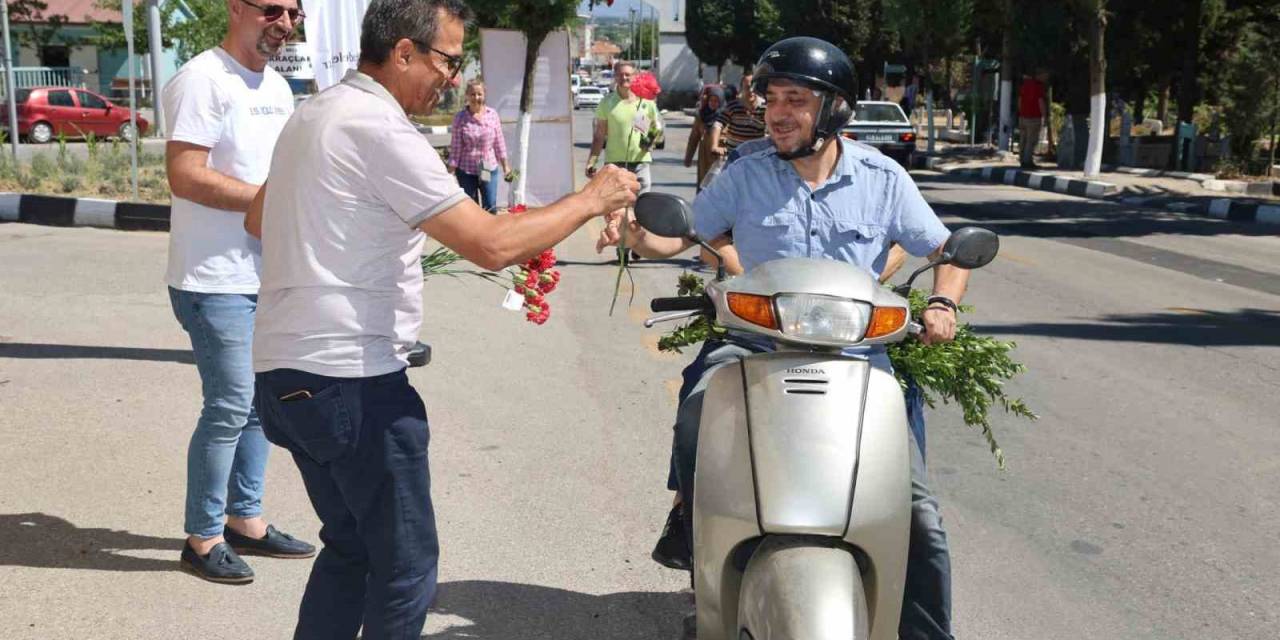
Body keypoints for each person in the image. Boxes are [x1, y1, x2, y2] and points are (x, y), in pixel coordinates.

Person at [244, 1, 638, 637]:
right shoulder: (381, 128)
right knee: (404, 570)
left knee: (351, 549)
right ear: (403, 53)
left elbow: (260, 219)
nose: (453, 77)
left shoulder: (311, 113)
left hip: (286, 377)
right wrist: (592, 198)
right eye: (448, 61)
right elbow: (489, 244)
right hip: (352, 381)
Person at [599, 37, 969, 640]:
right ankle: (691, 519)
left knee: (917, 511)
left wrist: (945, 302)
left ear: (835, 110)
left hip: (859, 355)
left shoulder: (883, 178)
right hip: (755, 347)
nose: (777, 112)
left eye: (796, 99)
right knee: (697, 406)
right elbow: (685, 235)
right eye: (772, 99)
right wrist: (634, 235)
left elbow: (947, 250)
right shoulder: (745, 174)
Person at [163, 0, 315, 585]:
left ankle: (244, 520)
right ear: (236, 7)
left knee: (258, 407)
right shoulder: (203, 79)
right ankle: (201, 538)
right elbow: (185, 174)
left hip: (263, 275)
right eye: (272, 8)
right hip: (212, 279)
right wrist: (267, 200)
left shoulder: (276, 85)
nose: (284, 21)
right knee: (229, 405)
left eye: (294, 14)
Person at [586, 61, 664, 193]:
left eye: (628, 74)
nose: (624, 78)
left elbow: (657, 129)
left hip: (640, 163)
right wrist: (592, 161)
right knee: (615, 211)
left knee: (641, 208)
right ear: (615, 77)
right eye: (620, 74)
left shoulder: (645, 102)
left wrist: (650, 140)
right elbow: (599, 136)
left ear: (635, 76)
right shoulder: (606, 103)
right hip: (614, 165)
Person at [448, 78, 511, 213]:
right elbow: (456, 147)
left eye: (479, 94)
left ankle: (491, 233)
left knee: (490, 204)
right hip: (466, 170)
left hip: (487, 167)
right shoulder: (460, 118)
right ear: (467, 96)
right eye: (472, 94)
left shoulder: (492, 115)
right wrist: (451, 172)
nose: (476, 97)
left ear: (484, 94)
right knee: (471, 209)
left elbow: (499, 142)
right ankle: (474, 234)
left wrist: (506, 167)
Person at [707, 73, 766, 161]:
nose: (751, 90)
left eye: (754, 87)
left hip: (756, 159)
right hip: (734, 158)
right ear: (741, 89)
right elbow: (718, 125)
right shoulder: (733, 106)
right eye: (747, 87)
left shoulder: (764, 108)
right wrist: (714, 146)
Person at [684, 84, 725, 191]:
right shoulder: (701, 116)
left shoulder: (726, 117)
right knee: (703, 187)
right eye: (711, 100)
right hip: (704, 158)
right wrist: (688, 158)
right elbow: (693, 138)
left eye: (716, 101)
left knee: (717, 188)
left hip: (719, 159)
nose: (713, 103)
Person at [1018, 69, 1049, 169]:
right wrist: (1044, 116)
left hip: (1023, 117)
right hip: (1034, 117)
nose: (1046, 77)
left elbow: (1019, 100)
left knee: (1023, 140)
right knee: (1031, 141)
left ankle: (1022, 159)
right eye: (1045, 75)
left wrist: (1021, 112)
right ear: (1039, 75)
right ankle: (1027, 162)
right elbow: (1040, 102)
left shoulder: (1024, 85)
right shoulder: (1038, 87)